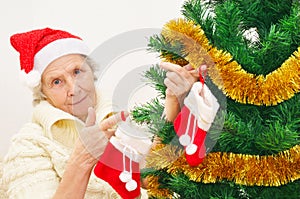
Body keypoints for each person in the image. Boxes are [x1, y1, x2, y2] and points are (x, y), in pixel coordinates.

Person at [1, 28, 148, 199]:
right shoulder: (27, 146)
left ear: (92, 72)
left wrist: (177, 102)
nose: (74, 88)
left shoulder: (130, 117)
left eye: (77, 72)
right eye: (57, 82)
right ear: (43, 93)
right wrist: (82, 160)